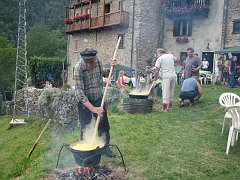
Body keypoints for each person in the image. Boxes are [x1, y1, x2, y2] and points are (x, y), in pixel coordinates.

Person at [73, 47, 116, 158]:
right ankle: (84, 151)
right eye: (86, 62)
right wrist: (93, 108)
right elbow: (79, 93)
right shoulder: (78, 68)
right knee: (85, 126)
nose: (89, 65)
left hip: (98, 97)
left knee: (103, 125)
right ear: (83, 60)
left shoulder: (98, 62)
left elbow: (104, 74)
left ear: (95, 58)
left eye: (91, 62)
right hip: (84, 102)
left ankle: (105, 148)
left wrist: (111, 67)